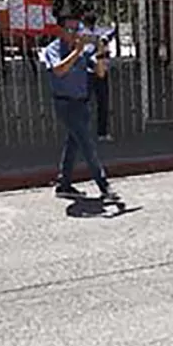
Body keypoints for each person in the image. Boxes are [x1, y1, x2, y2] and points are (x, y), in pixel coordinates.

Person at [41, 13, 119, 203]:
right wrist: (76, 52)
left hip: (81, 103)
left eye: (77, 29)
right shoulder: (53, 49)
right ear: (60, 31)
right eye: (70, 29)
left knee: (73, 143)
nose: (74, 33)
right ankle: (104, 185)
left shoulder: (83, 51)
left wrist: (100, 52)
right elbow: (58, 71)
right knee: (86, 144)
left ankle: (64, 183)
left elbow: (100, 73)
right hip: (65, 103)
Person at [81, 12, 113, 142]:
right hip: (87, 72)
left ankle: (102, 132)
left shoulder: (101, 31)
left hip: (101, 70)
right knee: (83, 103)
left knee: (103, 103)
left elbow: (109, 34)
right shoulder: (81, 32)